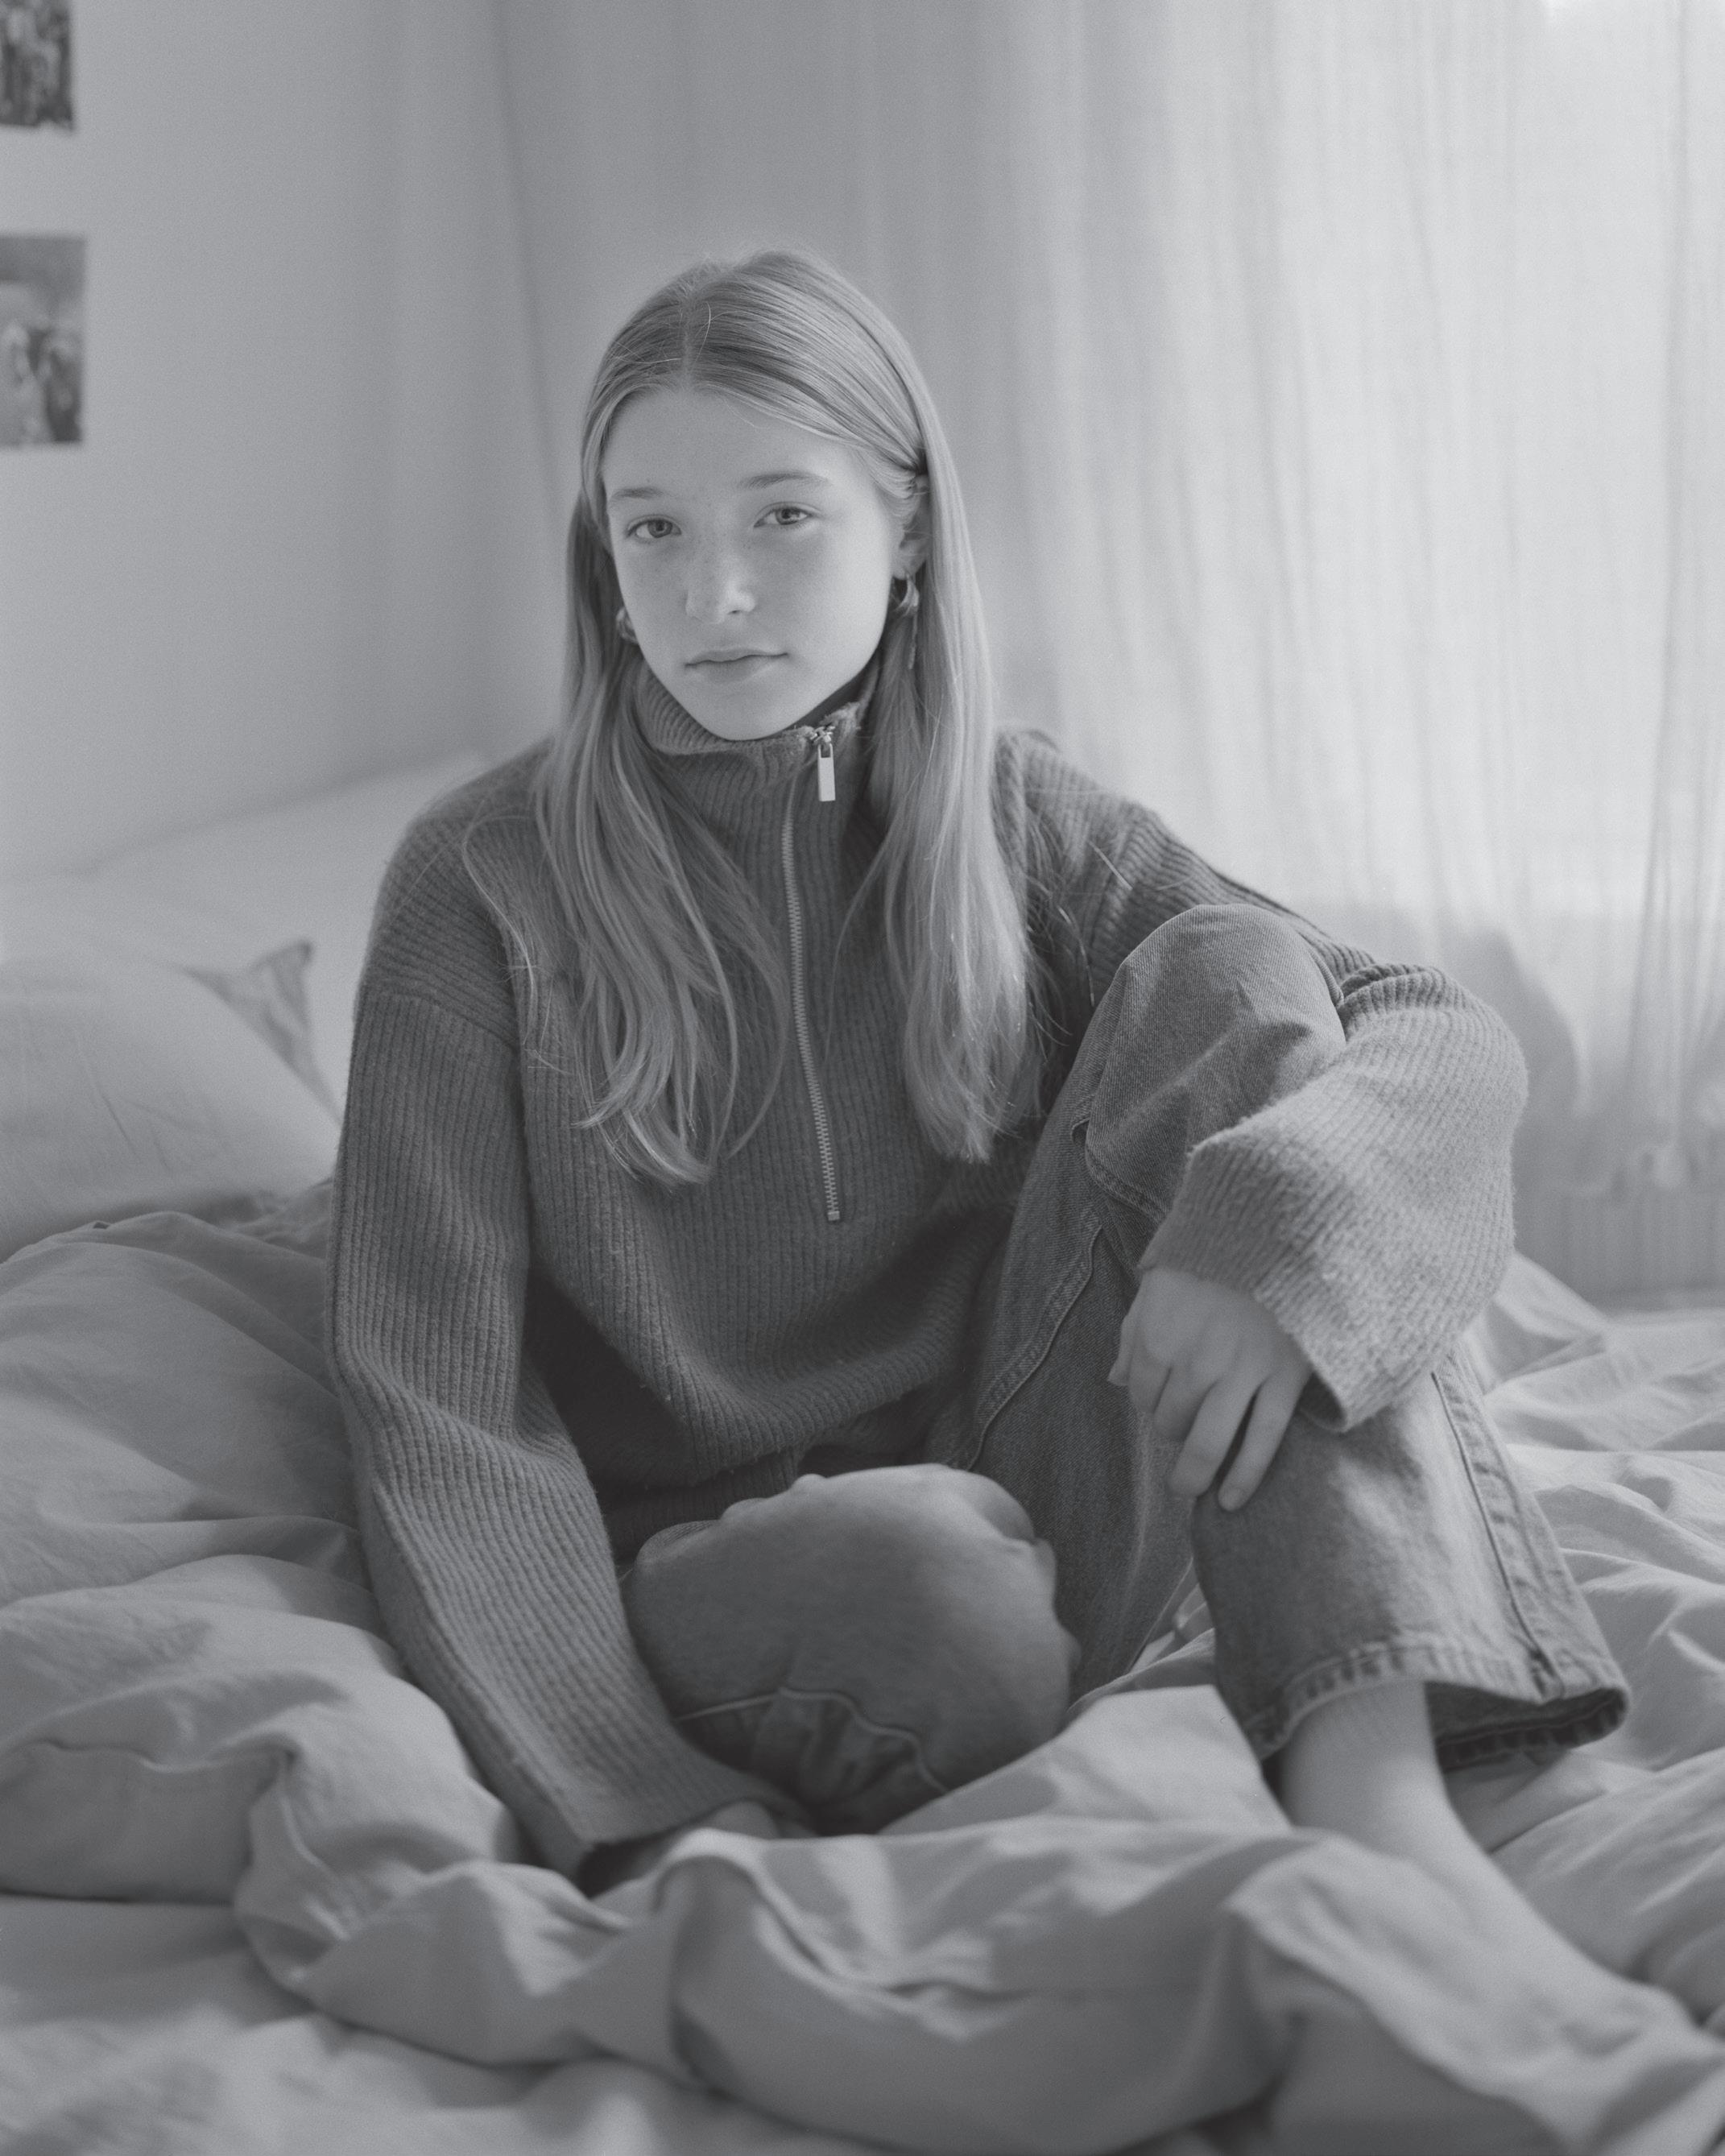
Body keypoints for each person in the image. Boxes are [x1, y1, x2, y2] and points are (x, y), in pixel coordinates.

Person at [327, 250, 1624, 1957]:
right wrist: (633, 1802)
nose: (716, 590)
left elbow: (1429, 1029)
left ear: (908, 532)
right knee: (933, 1587)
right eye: (654, 529)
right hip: (753, 1569)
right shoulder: (476, 890)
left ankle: (1369, 1783)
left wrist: (1279, 1227)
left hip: (1050, 1467)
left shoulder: (1013, 819)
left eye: (782, 515)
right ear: (604, 558)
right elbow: (436, 1403)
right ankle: (1162, 1711)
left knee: (1232, 971)